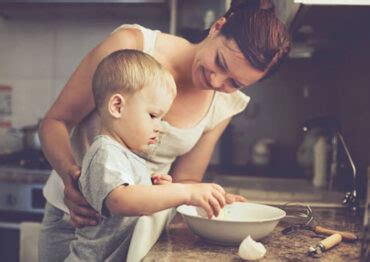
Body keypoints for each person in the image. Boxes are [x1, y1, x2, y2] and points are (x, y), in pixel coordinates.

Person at [38, 0, 290, 260]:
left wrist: (208, 198)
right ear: (217, 26)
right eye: (220, 62)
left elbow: (186, 180)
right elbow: (55, 122)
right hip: (76, 220)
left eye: (234, 82)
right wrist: (72, 180)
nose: (216, 81)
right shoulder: (132, 46)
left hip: (134, 232)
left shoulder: (226, 102)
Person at [59, 49, 226, 261]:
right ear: (117, 106)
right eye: (153, 116)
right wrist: (184, 192)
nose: (160, 127)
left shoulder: (125, 156)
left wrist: (154, 190)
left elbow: (134, 200)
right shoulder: (104, 152)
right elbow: (120, 201)